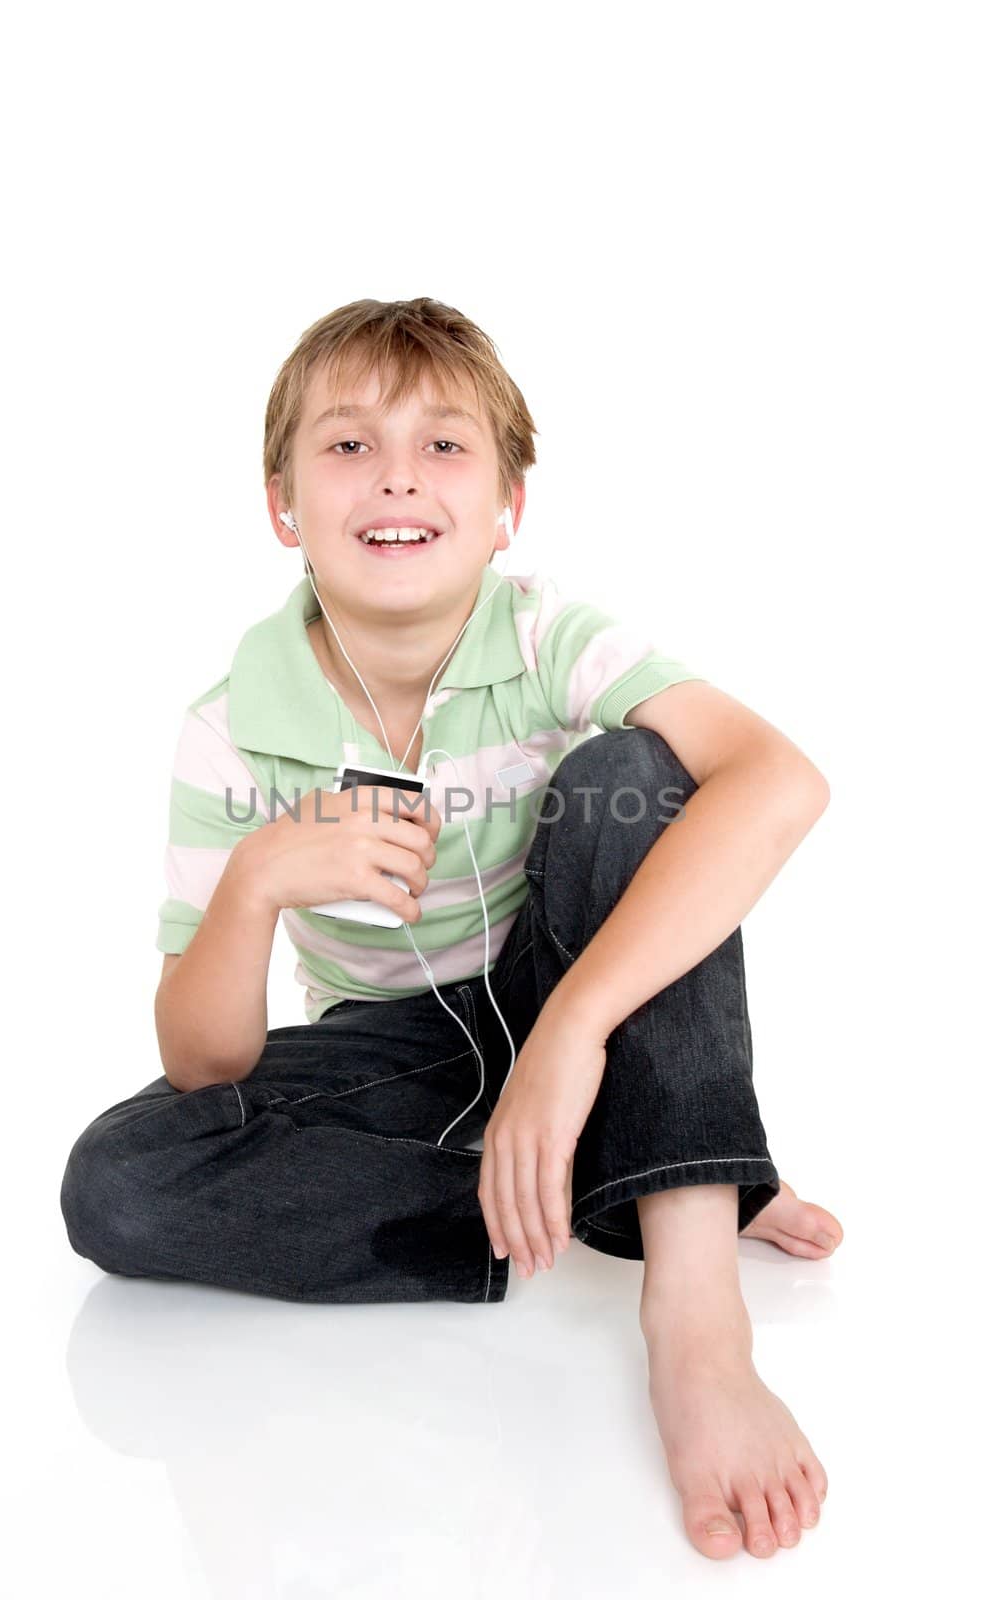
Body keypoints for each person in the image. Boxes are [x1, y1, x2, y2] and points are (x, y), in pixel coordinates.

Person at [60, 296, 843, 1562]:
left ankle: (693, 1310)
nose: (396, 479)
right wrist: (258, 877)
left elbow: (779, 779)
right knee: (116, 1180)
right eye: (349, 445)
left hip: (581, 992)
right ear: (282, 504)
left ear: (505, 506)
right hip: (402, 1054)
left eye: (442, 446)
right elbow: (207, 1065)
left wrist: (574, 1032)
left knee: (632, 778)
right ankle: (656, 1165)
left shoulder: (546, 638)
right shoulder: (229, 725)